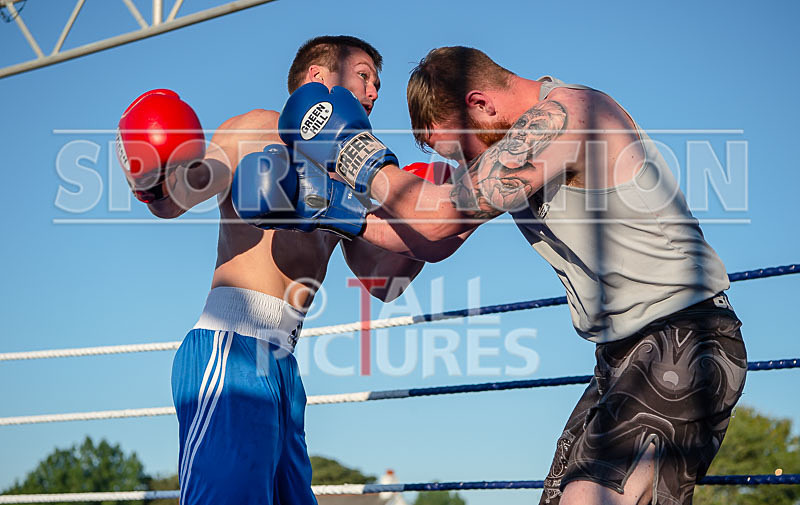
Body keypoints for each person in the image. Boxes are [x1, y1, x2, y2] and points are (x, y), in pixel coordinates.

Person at [277, 46, 748, 505]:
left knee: (588, 498)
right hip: (620, 358)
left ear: (479, 104)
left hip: (688, 336)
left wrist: (356, 153)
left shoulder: (568, 115)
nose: (465, 164)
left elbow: (438, 217)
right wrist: (327, 209)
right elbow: (429, 241)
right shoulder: (512, 144)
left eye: (462, 148)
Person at [115, 36, 452, 505]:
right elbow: (181, 195)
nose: (375, 92)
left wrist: (436, 220)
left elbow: (381, 280)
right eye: (363, 76)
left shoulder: (348, 178)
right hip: (229, 350)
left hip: (283, 367)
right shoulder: (255, 129)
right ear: (318, 78)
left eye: (378, 83)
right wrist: (155, 177)